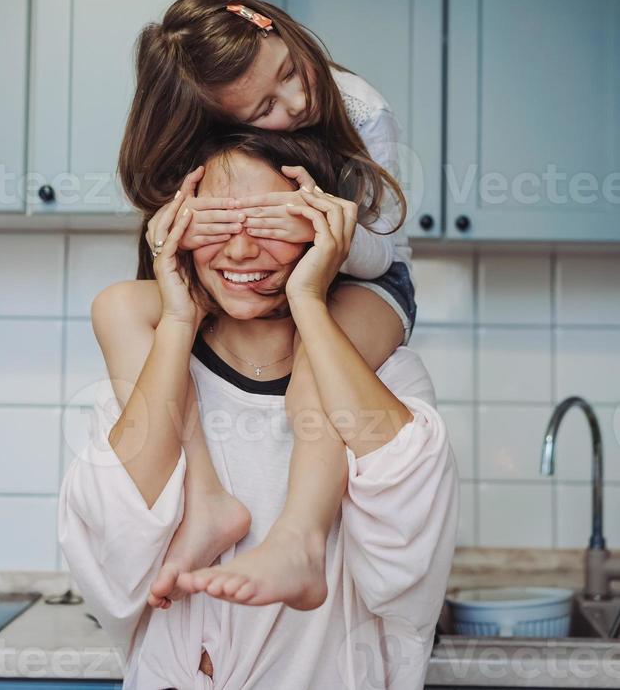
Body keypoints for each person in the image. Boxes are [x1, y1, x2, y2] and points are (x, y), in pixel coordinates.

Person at [58, 129, 458, 690]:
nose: (242, 251)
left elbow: (409, 564)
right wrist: (176, 318)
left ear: (324, 231)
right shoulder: (149, 377)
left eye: (271, 224)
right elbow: (112, 564)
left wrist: (309, 299)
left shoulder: (383, 377)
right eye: (217, 224)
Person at [115, 0, 420, 598]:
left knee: (320, 364)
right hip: (267, 281)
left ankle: (299, 542)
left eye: (289, 72)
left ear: (272, 25)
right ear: (227, 123)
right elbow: (174, 210)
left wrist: (323, 231)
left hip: (367, 275)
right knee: (119, 310)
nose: (300, 101)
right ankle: (206, 501)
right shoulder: (209, 130)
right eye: (265, 109)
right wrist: (177, 224)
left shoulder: (359, 106)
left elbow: (384, 243)